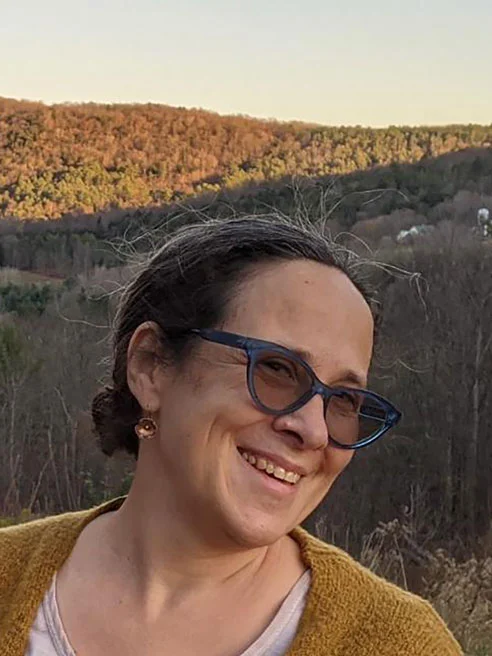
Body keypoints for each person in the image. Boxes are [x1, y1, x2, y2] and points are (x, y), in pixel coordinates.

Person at [0, 217, 462, 656]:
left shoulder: (397, 642)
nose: (314, 431)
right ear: (151, 367)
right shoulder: (10, 578)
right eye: (277, 369)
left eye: (344, 401)